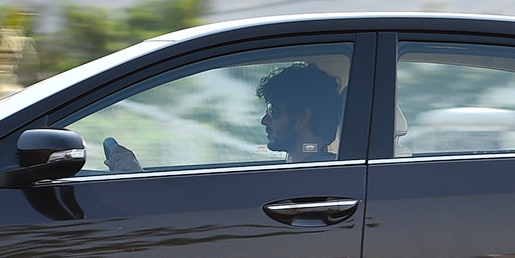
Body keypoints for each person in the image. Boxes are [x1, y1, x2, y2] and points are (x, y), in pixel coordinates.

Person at [103, 61, 342, 172]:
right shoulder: (299, 170)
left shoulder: (316, 176)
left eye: (273, 111)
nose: (264, 120)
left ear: (302, 118)